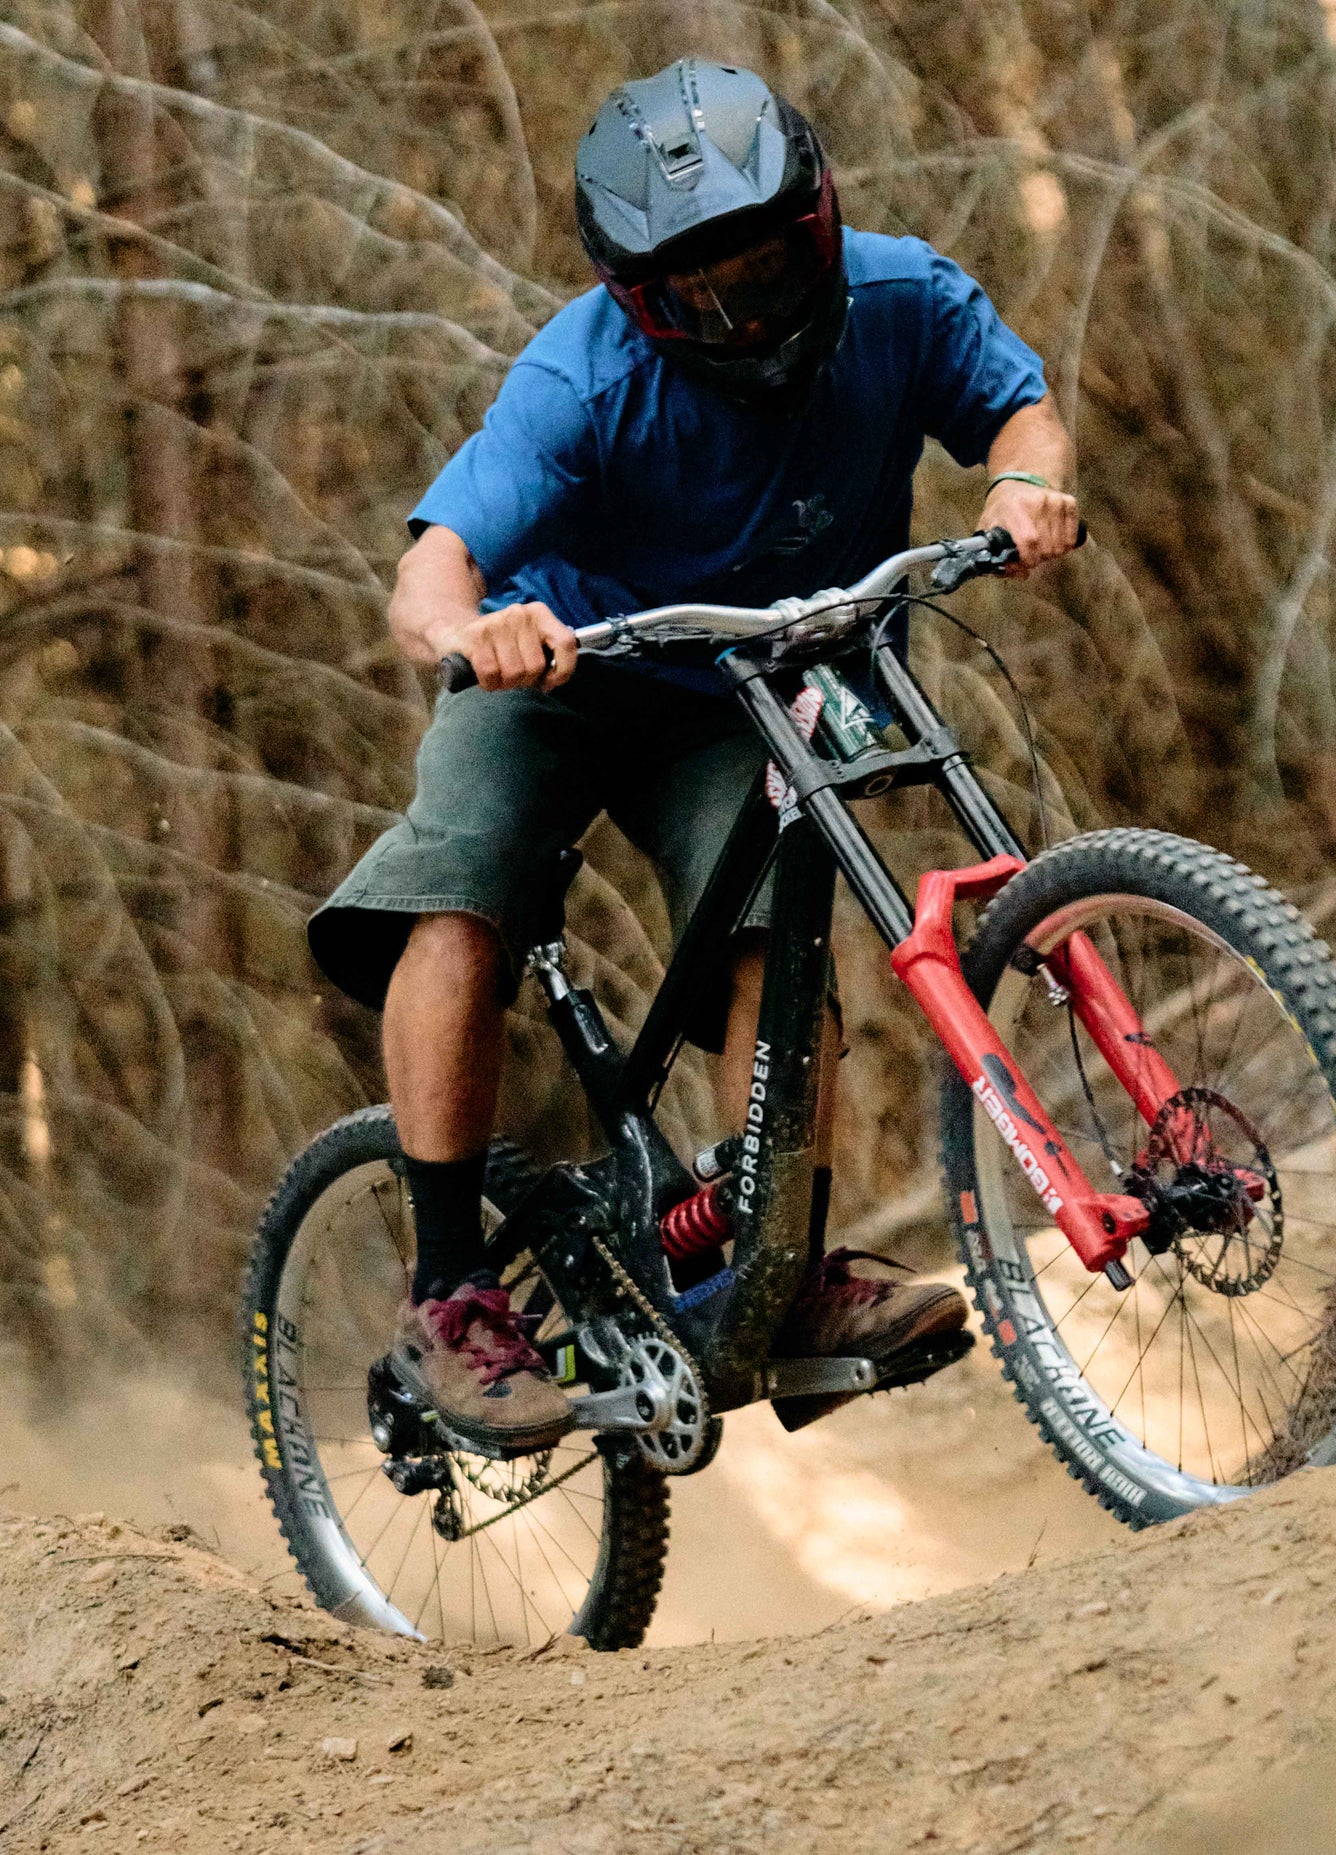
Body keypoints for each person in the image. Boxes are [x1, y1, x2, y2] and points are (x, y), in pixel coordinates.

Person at [308, 58, 1080, 1454]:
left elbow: (1016, 409)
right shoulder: (580, 382)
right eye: (699, 297)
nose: (751, 312)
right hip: (557, 674)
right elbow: (432, 571)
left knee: (776, 936)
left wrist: (1024, 477)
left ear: (823, 218)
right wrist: (473, 634)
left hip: (743, 688)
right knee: (463, 894)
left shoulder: (902, 300)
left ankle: (774, 1276)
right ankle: (449, 1293)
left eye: (774, 267)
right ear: (636, 301)